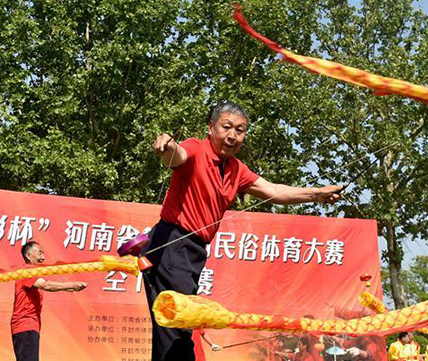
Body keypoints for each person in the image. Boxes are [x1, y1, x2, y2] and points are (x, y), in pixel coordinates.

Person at [143, 102, 343, 361]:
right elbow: (177, 154)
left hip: (192, 253)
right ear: (211, 127)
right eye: (226, 127)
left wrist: (317, 194)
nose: (232, 136)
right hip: (172, 244)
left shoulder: (236, 169)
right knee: (177, 331)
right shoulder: (196, 148)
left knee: (176, 330)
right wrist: (166, 146)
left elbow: (273, 191)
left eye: (240, 130)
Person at [11, 241, 88, 361]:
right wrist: (71, 285)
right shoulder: (26, 271)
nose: (43, 257)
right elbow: (46, 285)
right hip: (25, 325)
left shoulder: (33, 274)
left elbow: (47, 285)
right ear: (29, 255)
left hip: (30, 326)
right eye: (40, 253)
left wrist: (70, 288)